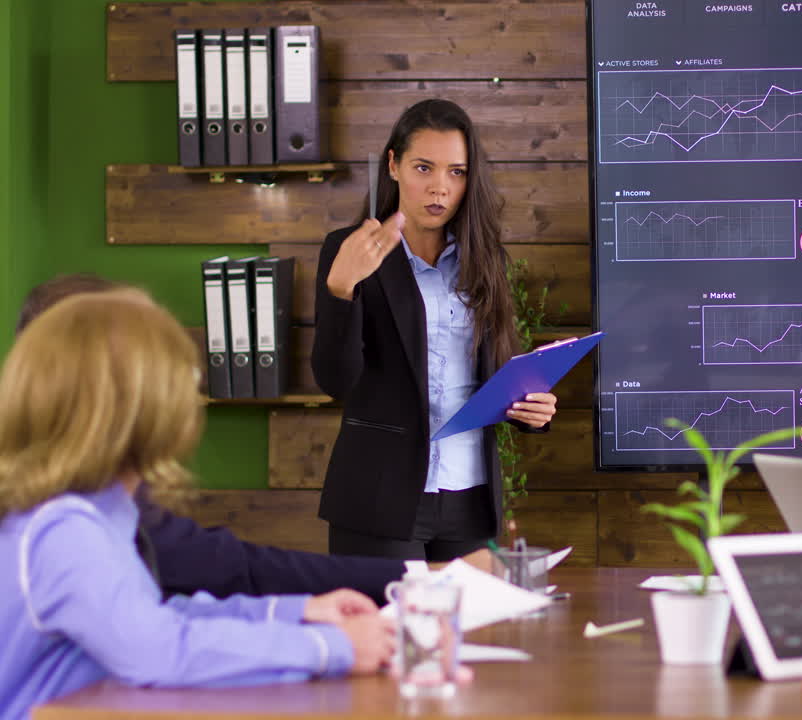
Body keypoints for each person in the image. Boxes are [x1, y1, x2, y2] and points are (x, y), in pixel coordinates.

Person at [0, 290, 395, 720]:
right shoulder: (65, 531)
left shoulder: (86, 514)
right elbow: (159, 650)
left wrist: (299, 612)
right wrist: (333, 648)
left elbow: (161, 619)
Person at [16, 273, 408, 603]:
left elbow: (178, 616)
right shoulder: (67, 520)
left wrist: (300, 616)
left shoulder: (71, 481)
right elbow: (170, 636)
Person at [313, 99, 557, 561]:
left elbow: (499, 372)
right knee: (391, 613)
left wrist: (532, 409)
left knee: (469, 612)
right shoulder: (348, 251)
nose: (440, 187)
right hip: (380, 497)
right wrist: (341, 288)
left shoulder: (486, 260)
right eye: (423, 168)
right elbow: (335, 381)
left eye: (456, 172)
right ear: (393, 165)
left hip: (469, 494)